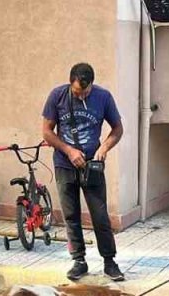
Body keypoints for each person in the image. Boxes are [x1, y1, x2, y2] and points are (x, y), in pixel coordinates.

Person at [42, 62, 125, 282]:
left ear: (92, 85)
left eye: (85, 92)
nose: (81, 96)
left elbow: (118, 129)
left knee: (100, 215)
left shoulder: (103, 97)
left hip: (92, 165)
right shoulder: (57, 96)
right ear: (71, 83)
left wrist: (104, 148)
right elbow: (47, 132)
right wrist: (69, 151)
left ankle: (109, 261)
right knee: (71, 215)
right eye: (78, 92)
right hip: (65, 164)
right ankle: (79, 260)